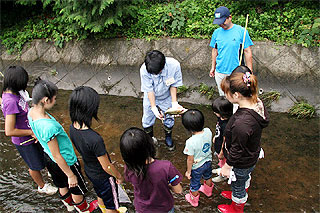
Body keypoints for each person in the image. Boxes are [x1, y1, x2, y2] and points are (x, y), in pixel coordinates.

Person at [27, 79, 98, 212]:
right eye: (54, 99)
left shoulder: (31, 112)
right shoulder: (48, 127)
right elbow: (57, 155)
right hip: (65, 160)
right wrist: (70, 174)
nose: (56, 101)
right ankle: (84, 209)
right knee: (75, 186)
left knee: (61, 184)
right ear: (45, 100)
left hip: (48, 158)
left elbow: (36, 132)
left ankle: (69, 205)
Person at [218, 66, 269, 213]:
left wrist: (227, 166)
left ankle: (237, 206)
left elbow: (237, 149)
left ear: (237, 95)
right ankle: (239, 189)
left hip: (242, 161)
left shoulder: (242, 123)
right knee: (244, 178)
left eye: (226, 92)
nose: (225, 95)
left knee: (238, 184)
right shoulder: (256, 102)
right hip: (252, 154)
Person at [1, 66, 57, 195]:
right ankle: (41, 186)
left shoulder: (14, 93)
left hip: (32, 133)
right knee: (35, 165)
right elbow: (9, 131)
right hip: (24, 140)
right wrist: (31, 133)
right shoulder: (10, 101)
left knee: (45, 153)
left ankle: (51, 171)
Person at [69, 86, 125, 213]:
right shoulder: (95, 139)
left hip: (90, 171)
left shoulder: (72, 127)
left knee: (101, 193)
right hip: (104, 176)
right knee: (112, 204)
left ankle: (101, 208)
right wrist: (119, 176)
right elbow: (107, 167)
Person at [120, 127, 183, 212]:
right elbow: (178, 190)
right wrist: (166, 184)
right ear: (149, 144)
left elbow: (131, 181)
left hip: (142, 209)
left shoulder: (129, 168)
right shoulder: (165, 167)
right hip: (164, 208)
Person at [140, 50, 185, 150]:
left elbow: (174, 85)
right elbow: (149, 89)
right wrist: (153, 107)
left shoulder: (174, 65)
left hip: (167, 96)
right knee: (147, 119)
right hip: (150, 96)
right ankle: (150, 138)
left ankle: (168, 137)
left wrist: (174, 103)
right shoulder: (144, 69)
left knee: (169, 118)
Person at [209, 6, 254, 96]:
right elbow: (214, 50)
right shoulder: (216, 33)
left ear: (230, 17)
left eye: (223, 22)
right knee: (223, 99)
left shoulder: (241, 31)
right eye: (219, 23)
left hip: (236, 72)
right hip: (220, 71)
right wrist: (213, 67)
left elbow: (247, 52)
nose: (221, 24)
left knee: (237, 98)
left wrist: (250, 72)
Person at [182, 109, 214, 207]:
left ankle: (194, 201)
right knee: (208, 176)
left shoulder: (190, 142)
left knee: (195, 183)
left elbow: (190, 159)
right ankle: (208, 191)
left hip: (197, 166)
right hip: (208, 161)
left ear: (188, 128)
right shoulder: (208, 131)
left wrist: (188, 171)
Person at [211, 96, 233, 183]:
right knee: (221, 161)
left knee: (224, 161)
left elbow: (225, 140)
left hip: (222, 148)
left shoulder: (227, 125)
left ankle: (223, 175)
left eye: (216, 112)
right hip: (218, 141)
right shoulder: (220, 118)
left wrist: (221, 152)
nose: (214, 113)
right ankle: (220, 169)